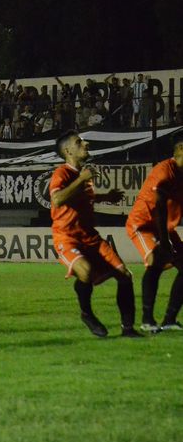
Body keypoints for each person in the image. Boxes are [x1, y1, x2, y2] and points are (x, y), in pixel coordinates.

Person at [50, 130, 141, 338]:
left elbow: (83, 197)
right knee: (85, 271)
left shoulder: (84, 176)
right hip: (67, 236)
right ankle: (87, 313)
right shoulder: (62, 174)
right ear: (67, 151)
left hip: (90, 237)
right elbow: (57, 200)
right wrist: (81, 179)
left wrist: (104, 197)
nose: (85, 143)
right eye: (79, 142)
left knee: (125, 276)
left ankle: (128, 329)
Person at [125, 133, 183, 332]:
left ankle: (169, 321)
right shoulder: (164, 171)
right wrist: (165, 242)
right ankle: (147, 320)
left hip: (165, 227)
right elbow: (160, 206)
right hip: (143, 224)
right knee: (155, 261)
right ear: (181, 150)